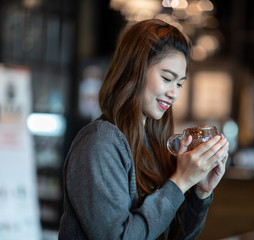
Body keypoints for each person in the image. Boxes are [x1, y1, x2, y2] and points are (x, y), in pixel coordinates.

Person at [58, 19, 229, 240]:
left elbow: (173, 236)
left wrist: (199, 192)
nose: (174, 93)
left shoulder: (154, 143)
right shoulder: (99, 143)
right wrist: (180, 182)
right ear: (134, 70)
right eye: (167, 78)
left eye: (179, 84)